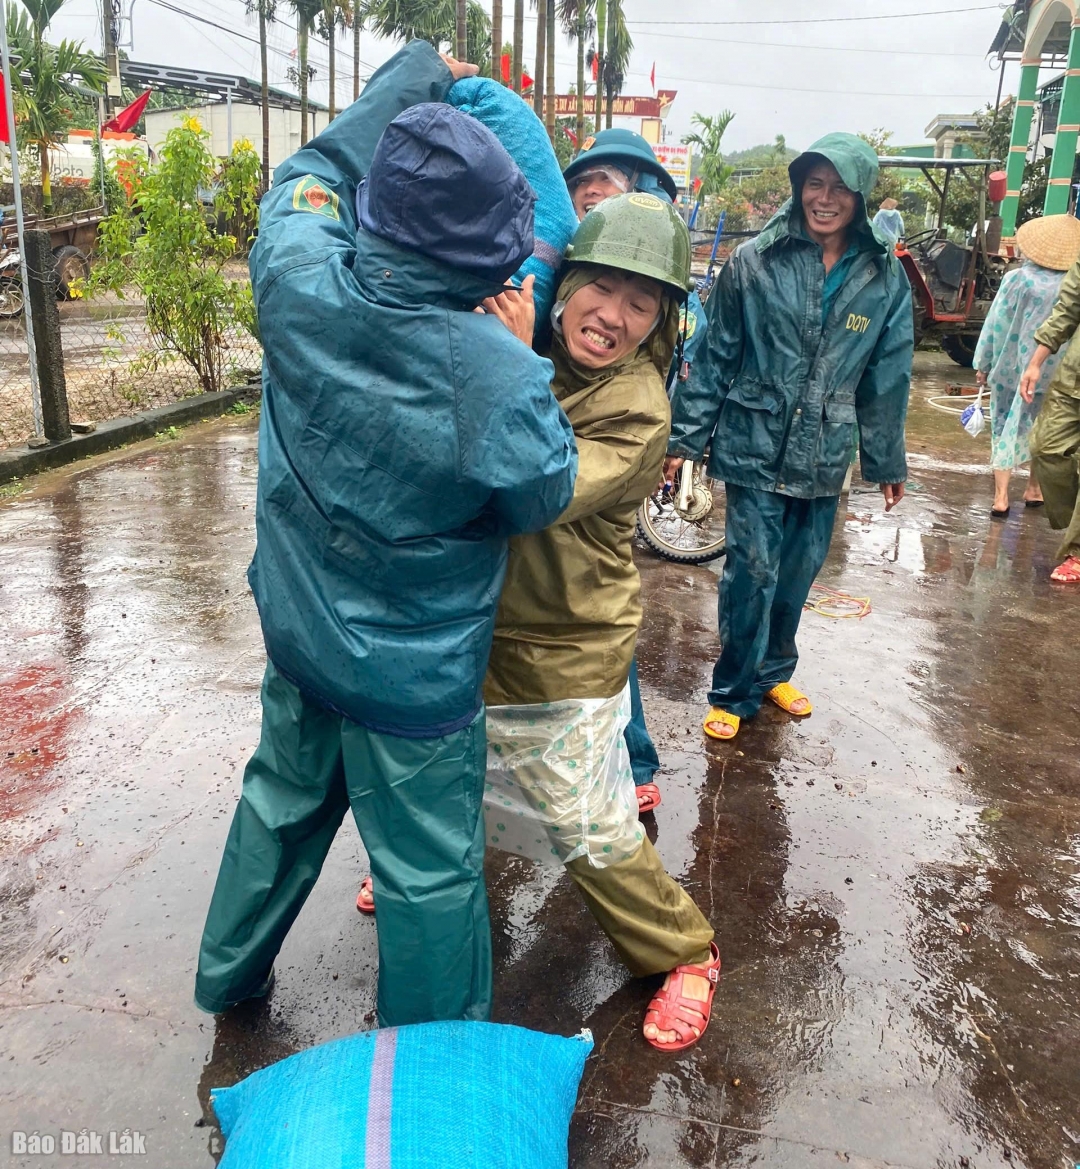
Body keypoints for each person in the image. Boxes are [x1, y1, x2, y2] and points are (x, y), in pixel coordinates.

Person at [194, 45, 577, 1026]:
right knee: (426, 871)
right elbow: (541, 494)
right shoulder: (494, 375)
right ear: (489, 261)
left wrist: (413, 70)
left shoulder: (295, 269)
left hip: (299, 630)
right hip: (413, 680)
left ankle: (227, 980)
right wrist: (522, 343)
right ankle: (432, 1070)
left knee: (277, 804)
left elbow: (308, 172)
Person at [483, 194, 720, 1053]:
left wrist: (504, 368)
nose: (613, 317)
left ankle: (685, 949)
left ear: (661, 322)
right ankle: (432, 875)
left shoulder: (638, 405)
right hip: (483, 624)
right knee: (450, 776)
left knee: (582, 820)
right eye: (603, 288)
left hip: (568, 639)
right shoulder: (529, 345)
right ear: (567, 281)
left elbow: (538, 486)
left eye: (641, 303)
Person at [665, 134, 911, 741]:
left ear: (860, 195)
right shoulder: (756, 260)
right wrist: (684, 440)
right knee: (751, 570)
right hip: (754, 440)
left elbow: (888, 374)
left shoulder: (884, 278)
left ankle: (775, 671)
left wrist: (886, 459)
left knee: (799, 570)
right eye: (813, 184)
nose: (823, 199)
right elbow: (715, 354)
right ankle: (732, 690)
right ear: (799, 187)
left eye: (839, 188)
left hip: (826, 450)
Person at [562, 128, 708, 814]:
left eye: (614, 178)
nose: (596, 187)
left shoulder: (639, 402)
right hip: (507, 607)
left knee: (595, 814)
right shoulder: (546, 292)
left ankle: (634, 765)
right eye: (586, 179)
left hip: (574, 620)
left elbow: (534, 482)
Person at [974, 214, 1080, 519]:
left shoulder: (1017, 279)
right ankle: (1034, 490)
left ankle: (1001, 497)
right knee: (1043, 429)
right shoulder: (1073, 286)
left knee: (1006, 423)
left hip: (1013, 367)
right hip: (1057, 370)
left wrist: (983, 362)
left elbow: (996, 323)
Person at [1019, 238, 1080, 584]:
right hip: (1074, 375)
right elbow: (1068, 308)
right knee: (1045, 447)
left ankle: (1077, 551)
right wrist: (1036, 363)